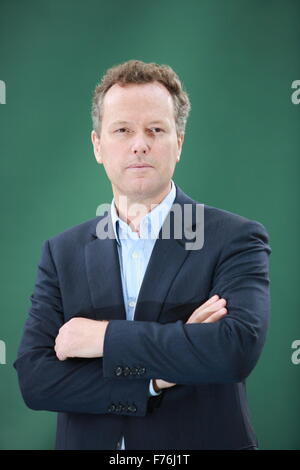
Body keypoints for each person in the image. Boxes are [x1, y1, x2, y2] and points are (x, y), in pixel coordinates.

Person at [14, 60, 271, 450]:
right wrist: (156, 377)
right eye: (122, 130)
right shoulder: (61, 252)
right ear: (98, 145)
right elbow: (36, 381)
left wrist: (102, 338)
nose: (140, 143)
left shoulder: (234, 238)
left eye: (155, 129)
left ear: (179, 143)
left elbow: (234, 350)